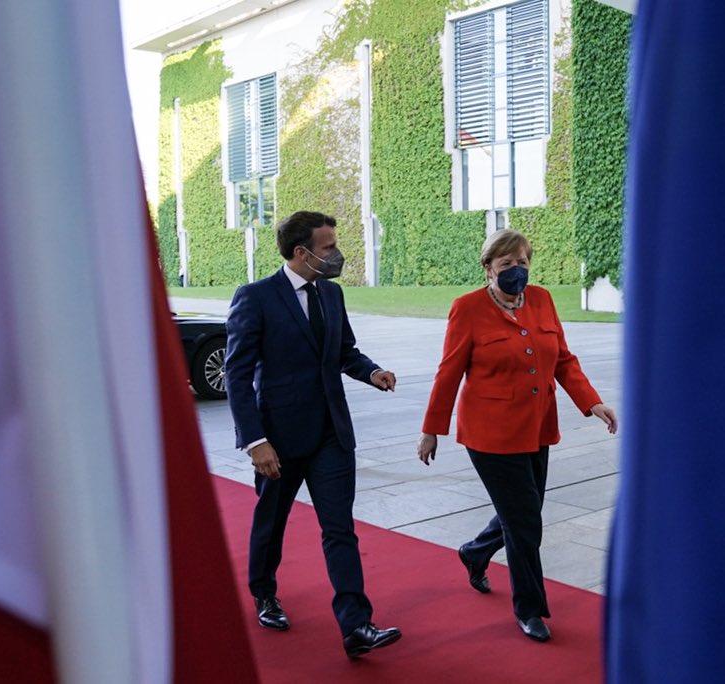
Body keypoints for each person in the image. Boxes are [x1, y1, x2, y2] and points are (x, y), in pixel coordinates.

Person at [417, 229, 618, 643]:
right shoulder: (467, 308)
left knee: (523, 513)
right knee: (525, 522)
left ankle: (474, 552)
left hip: (537, 427)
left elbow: (563, 360)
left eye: (522, 262)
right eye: (506, 264)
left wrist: (591, 402)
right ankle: (529, 608)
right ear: (488, 268)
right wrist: (432, 429)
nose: (516, 270)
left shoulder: (541, 300)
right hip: (490, 435)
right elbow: (449, 371)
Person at [225, 210, 401, 658]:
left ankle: (356, 625)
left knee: (340, 528)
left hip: (332, 435)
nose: (337, 254)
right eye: (329, 247)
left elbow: (344, 352)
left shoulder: (332, 293)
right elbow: (237, 376)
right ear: (302, 252)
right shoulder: (256, 297)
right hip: (279, 439)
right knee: (271, 522)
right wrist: (255, 440)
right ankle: (264, 593)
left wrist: (372, 372)